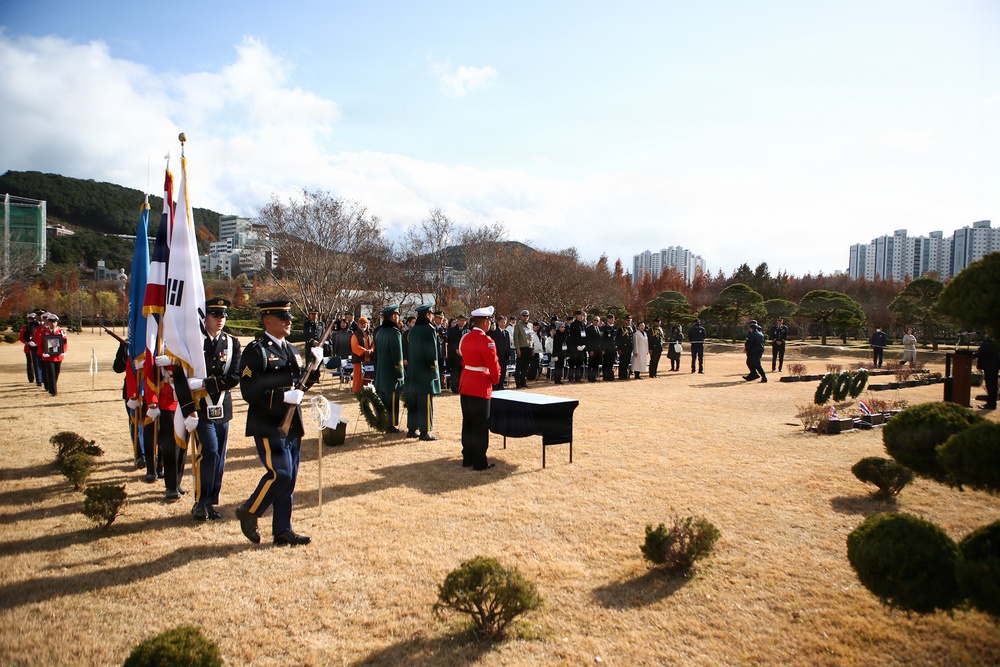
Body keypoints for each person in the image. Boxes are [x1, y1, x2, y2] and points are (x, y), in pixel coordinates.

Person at [235, 300, 320, 546]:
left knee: (290, 477)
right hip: (268, 422)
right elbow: (249, 391)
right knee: (280, 473)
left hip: (292, 421)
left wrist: (315, 365)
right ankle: (249, 510)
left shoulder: (291, 349)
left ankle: (282, 529)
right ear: (268, 321)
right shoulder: (256, 350)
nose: (289, 322)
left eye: (289, 318)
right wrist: (283, 396)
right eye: (283, 318)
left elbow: (301, 385)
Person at [174, 297, 243, 521]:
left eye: (223, 315)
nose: (220, 319)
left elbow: (234, 376)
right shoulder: (192, 343)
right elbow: (179, 377)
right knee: (210, 452)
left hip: (222, 407)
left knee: (219, 457)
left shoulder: (232, 343)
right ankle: (200, 501)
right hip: (200, 408)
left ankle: (211, 502)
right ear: (205, 317)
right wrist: (188, 409)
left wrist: (205, 383)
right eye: (215, 315)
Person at [458, 306, 501, 470]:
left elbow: (464, 360)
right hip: (480, 384)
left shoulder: (465, 338)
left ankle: (467, 457)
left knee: (468, 422)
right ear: (485, 322)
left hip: (466, 382)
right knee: (480, 425)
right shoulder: (487, 341)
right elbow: (493, 365)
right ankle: (479, 461)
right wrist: (495, 379)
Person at [404, 303, 441, 440]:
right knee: (425, 402)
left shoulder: (413, 330)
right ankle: (424, 431)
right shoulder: (429, 330)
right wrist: (434, 372)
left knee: (413, 402)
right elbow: (432, 353)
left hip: (413, 370)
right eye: (431, 314)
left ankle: (412, 429)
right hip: (425, 372)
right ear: (427, 315)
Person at [374, 304, 405, 433]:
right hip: (391, 372)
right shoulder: (394, 333)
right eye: (397, 315)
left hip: (381, 370)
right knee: (392, 398)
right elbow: (398, 356)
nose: (398, 317)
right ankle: (390, 425)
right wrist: (400, 374)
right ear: (393, 316)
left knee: (383, 398)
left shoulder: (380, 332)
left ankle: (382, 422)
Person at [35, 313, 68, 396]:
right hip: (48, 357)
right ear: (48, 323)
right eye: (51, 322)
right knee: (51, 372)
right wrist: (43, 352)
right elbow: (40, 344)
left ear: (57, 323)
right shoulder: (44, 332)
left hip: (58, 356)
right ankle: (53, 391)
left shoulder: (61, 331)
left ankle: (52, 385)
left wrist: (64, 351)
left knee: (57, 372)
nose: (53, 324)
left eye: (54, 322)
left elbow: (64, 343)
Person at [487, 314, 512, 390]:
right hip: (497, 354)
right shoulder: (495, 332)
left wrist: (509, 353)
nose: (503, 324)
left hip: (505, 355)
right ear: (498, 322)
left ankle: (501, 384)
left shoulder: (506, 333)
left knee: (503, 371)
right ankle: (495, 385)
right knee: (496, 370)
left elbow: (508, 344)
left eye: (504, 322)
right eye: (501, 322)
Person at [350, 316, 374, 394]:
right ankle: (357, 392)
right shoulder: (355, 335)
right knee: (358, 377)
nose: (363, 325)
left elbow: (373, 345)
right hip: (359, 359)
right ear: (358, 324)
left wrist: (371, 350)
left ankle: (367, 391)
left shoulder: (370, 334)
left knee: (368, 376)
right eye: (361, 323)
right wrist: (365, 351)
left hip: (369, 359)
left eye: (365, 323)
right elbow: (355, 346)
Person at [975, 335, 999, 410]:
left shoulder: (992, 339)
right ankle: (990, 402)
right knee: (990, 384)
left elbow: (984, 351)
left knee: (991, 384)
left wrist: (975, 354)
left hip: (991, 365)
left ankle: (991, 404)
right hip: (991, 365)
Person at [512, 309, 534, 388]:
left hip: (529, 347)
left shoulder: (530, 325)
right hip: (521, 348)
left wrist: (532, 348)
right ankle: (518, 383)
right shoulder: (518, 326)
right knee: (519, 366)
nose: (526, 317)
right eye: (524, 316)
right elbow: (516, 338)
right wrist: (517, 349)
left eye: (527, 316)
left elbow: (531, 337)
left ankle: (523, 381)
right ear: (521, 316)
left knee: (526, 366)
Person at [18, 312, 40, 384]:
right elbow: (21, 337)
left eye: (33, 319)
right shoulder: (25, 328)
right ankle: (31, 378)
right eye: (30, 319)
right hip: (28, 348)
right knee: (30, 363)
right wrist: (27, 342)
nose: (32, 320)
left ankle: (39, 378)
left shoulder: (38, 327)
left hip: (38, 347)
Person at [447, 314, 467, 393]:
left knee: (461, 372)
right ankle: (454, 387)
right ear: (457, 321)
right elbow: (450, 342)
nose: (461, 322)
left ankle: (460, 386)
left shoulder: (467, 331)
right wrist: (456, 349)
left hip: (463, 355)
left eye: (463, 320)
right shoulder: (452, 330)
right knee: (454, 372)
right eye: (460, 320)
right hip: (454, 355)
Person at [567, 309, 587, 383]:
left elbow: (584, 335)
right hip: (574, 347)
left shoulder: (583, 324)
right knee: (572, 363)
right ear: (577, 315)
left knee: (580, 363)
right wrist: (577, 345)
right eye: (580, 315)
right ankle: (571, 378)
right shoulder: (573, 325)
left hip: (582, 347)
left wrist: (584, 344)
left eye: (582, 315)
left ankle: (578, 378)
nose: (582, 316)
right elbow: (572, 337)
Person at [600, 314, 618, 381]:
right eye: (611, 319)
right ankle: (606, 376)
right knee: (606, 363)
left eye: (613, 319)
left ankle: (610, 376)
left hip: (613, 348)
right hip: (606, 349)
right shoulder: (604, 328)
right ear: (608, 319)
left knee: (611, 363)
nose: (613, 320)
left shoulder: (614, 327)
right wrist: (603, 349)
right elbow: (602, 339)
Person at [585, 315, 603, 382]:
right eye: (594, 320)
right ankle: (590, 377)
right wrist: (590, 350)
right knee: (591, 364)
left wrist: (602, 349)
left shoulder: (600, 329)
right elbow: (588, 340)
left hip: (598, 350)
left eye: (597, 320)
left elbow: (601, 340)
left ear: (599, 321)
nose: (596, 322)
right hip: (592, 349)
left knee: (596, 364)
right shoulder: (589, 329)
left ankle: (594, 377)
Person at [617, 315, 634, 380]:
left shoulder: (631, 328)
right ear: (624, 321)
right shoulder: (621, 328)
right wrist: (619, 348)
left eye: (630, 320)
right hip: (623, 347)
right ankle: (621, 375)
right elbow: (618, 339)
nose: (629, 322)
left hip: (629, 347)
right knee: (622, 362)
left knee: (627, 362)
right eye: (627, 320)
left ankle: (626, 375)